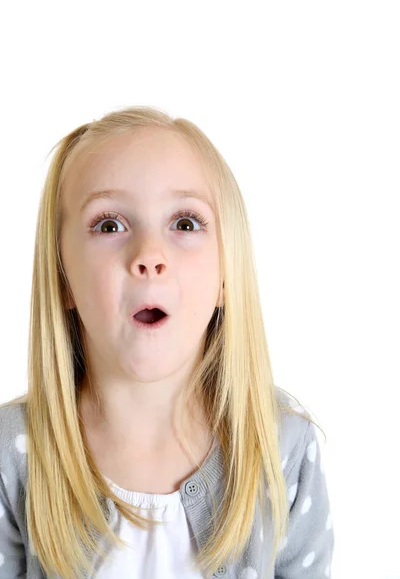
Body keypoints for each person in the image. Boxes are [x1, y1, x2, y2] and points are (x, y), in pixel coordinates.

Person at [0, 106, 334, 579]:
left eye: (185, 223)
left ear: (225, 275)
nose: (149, 257)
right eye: (110, 225)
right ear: (64, 280)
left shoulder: (280, 447)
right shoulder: (13, 455)